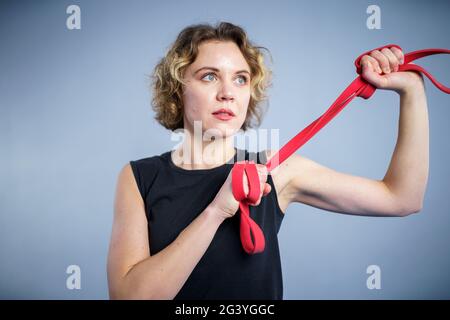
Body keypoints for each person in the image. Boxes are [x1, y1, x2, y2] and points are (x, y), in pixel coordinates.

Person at [107, 22, 428, 299]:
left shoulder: (277, 171)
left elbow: (402, 198)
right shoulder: (139, 177)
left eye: (240, 79)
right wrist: (217, 211)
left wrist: (411, 91)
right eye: (208, 77)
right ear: (178, 89)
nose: (227, 93)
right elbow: (130, 297)